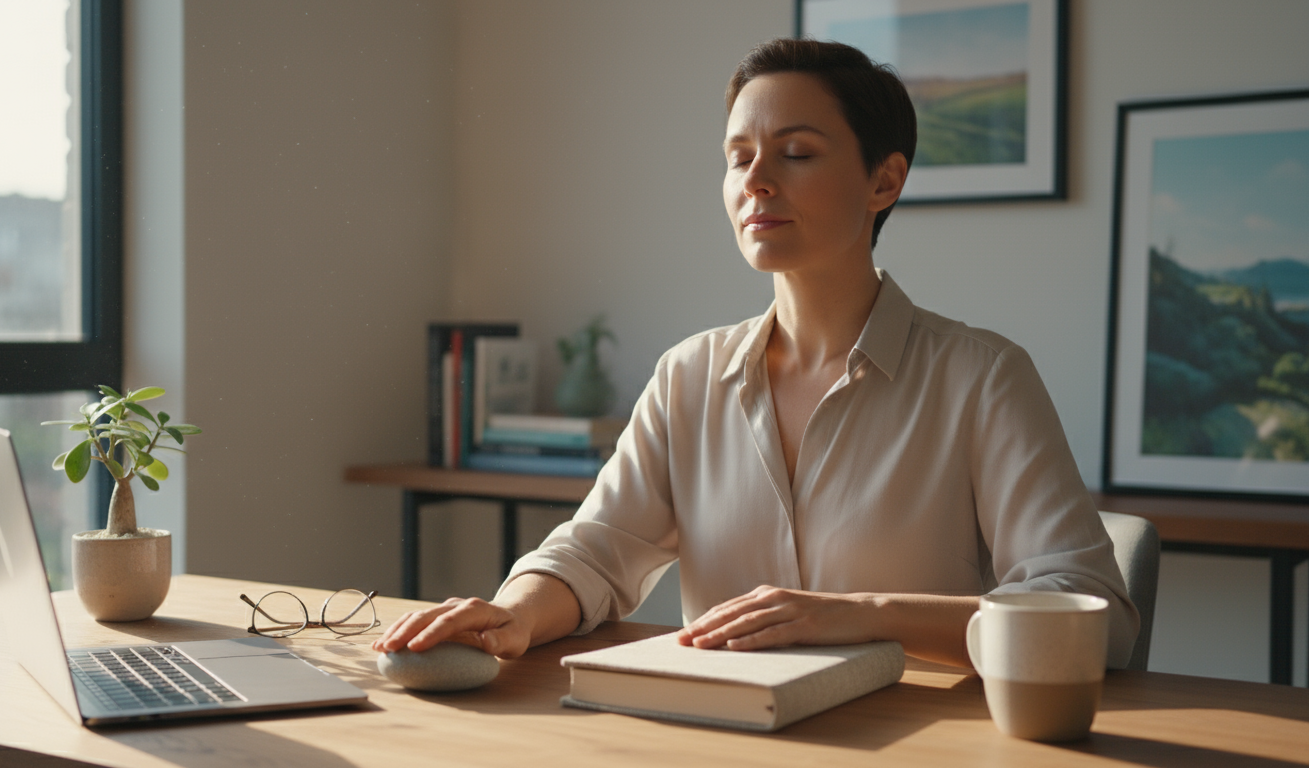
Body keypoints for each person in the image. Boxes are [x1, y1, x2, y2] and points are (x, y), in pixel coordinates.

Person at [373, 38, 1139, 670]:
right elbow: (595, 554)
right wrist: (510, 615)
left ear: (884, 179)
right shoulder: (689, 376)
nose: (756, 182)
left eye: (796, 152)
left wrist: (860, 617)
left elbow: (1094, 615)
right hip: (719, 735)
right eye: (739, 158)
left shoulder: (983, 378)